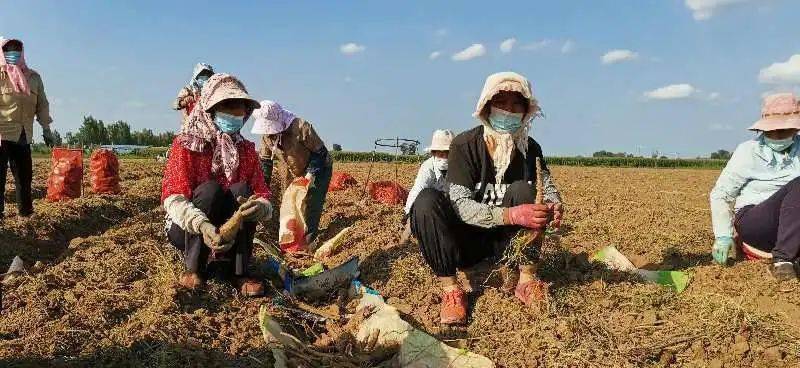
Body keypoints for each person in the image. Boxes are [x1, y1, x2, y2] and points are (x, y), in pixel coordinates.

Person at [410, 72, 563, 325]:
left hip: (505, 246)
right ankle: (451, 290)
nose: (508, 110)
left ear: (526, 110)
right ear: (486, 106)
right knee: (425, 201)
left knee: (526, 192)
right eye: (501, 103)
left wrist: (554, 204)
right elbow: (459, 204)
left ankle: (526, 281)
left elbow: (546, 185)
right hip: (466, 243)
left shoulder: (530, 148)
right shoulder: (464, 145)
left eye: (516, 104)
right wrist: (510, 214)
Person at [161, 73, 272, 296]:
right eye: (228, 106)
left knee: (243, 192)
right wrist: (203, 226)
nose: (236, 113)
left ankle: (238, 272)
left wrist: (260, 206)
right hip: (186, 227)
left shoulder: (247, 150)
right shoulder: (186, 145)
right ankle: (194, 269)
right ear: (209, 110)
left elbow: (263, 193)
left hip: (228, 225)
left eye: (240, 107)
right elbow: (173, 198)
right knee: (210, 190)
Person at [710, 92, 800, 281]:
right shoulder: (748, 151)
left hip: (793, 226)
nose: (776, 135)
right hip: (757, 221)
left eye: (783, 131)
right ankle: (783, 261)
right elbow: (722, 193)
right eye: (770, 131)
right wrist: (723, 236)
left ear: (795, 129)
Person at [252, 100, 333, 249]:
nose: (269, 132)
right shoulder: (266, 136)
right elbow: (265, 163)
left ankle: (308, 241)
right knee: (289, 204)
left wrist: (310, 174)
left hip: (319, 167)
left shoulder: (300, 127)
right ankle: (290, 240)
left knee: (311, 200)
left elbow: (320, 153)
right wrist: (262, 190)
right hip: (292, 169)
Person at [0, 37, 55, 219]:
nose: (13, 53)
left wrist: (46, 129)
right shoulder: (0, 75)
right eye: (8, 50)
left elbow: (42, 105)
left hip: (23, 133)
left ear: (22, 52)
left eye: (16, 49)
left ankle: (25, 213)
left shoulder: (33, 78)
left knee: (24, 176)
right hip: (2, 133)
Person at [400, 129, 455, 245]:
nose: (444, 157)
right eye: (441, 154)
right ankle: (405, 238)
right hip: (431, 204)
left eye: (447, 153)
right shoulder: (428, 168)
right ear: (433, 153)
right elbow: (417, 191)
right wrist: (409, 216)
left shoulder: (457, 166)